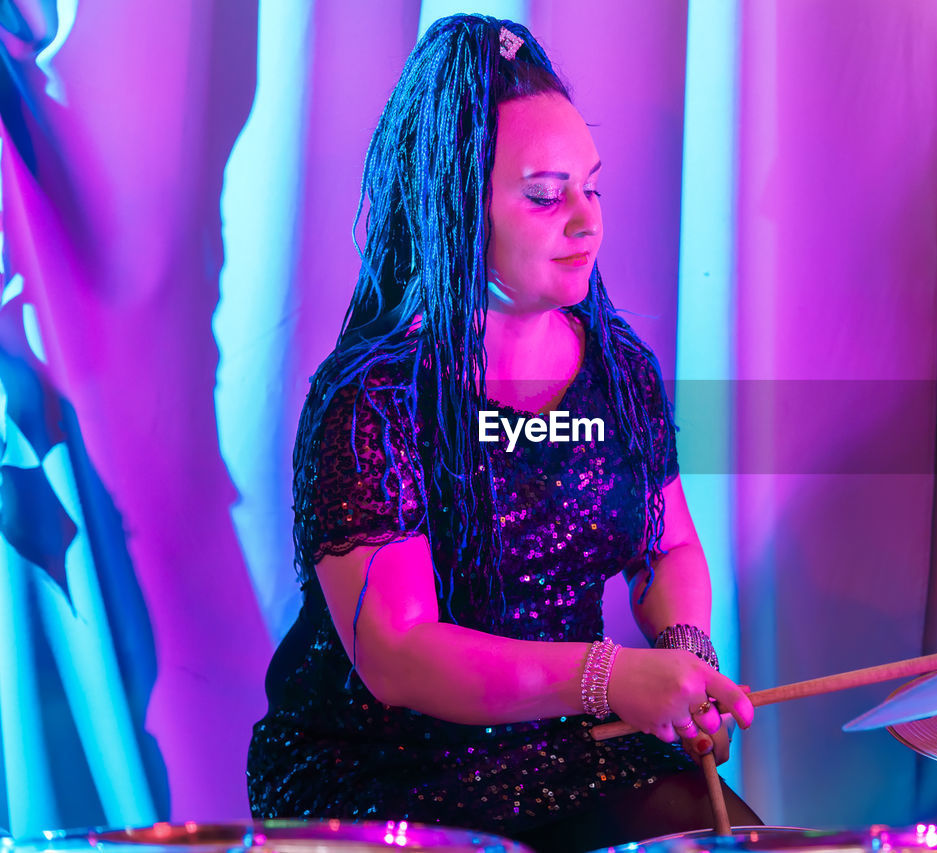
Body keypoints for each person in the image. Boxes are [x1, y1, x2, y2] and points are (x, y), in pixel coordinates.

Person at [246, 14, 760, 852]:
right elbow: (400, 655)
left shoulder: (618, 367)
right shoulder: (375, 399)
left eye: (591, 187)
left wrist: (685, 655)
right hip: (389, 774)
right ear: (454, 207)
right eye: (545, 195)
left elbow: (667, 547)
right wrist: (613, 676)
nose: (587, 223)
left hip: (570, 750)